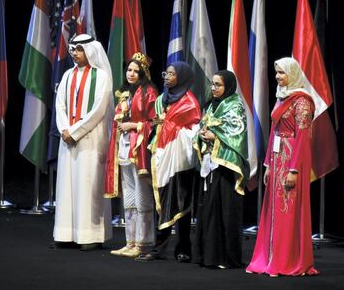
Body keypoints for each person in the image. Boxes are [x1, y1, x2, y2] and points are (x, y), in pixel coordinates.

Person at [246, 57, 319, 276]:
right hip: (277, 161)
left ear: (293, 74)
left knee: (288, 210)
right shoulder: (282, 97)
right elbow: (274, 133)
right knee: (274, 210)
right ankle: (269, 259)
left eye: (282, 73)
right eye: (276, 73)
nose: (278, 77)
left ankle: (287, 261)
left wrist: (294, 170)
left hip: (291, 162)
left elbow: (302, 138)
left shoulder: (302, 101)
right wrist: (268, 164)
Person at [53, 33, 113, 250]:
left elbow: (99, 110)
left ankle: (90, 235)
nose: (75, 54)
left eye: (79, 50)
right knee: (67, 185)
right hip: (67, 138)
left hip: (91, 139)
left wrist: (75, 131)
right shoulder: (68, 75)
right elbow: (60, 105)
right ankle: (65, 233)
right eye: (74, 50)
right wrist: (64, 129)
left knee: (89, 184)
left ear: (90, 51)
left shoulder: (102, 77)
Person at [136, 61, 200, 262]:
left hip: (181, 161)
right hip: (163, 157)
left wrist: (169, 125)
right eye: (166, 73)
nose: (166, 76)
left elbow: (193, 132)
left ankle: (183, 250)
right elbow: (156, 126)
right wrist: (159, 127)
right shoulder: (162, 99)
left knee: (181, 204)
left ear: (181, 77)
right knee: (161, 202)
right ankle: (158, 249)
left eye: (171, 74)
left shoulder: (190, 103)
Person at [104, 52, 159, 258]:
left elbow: (154, 122)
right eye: (129, 70)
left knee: (142, 196)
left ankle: (144, 242)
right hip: (124, 148)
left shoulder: (149, 92)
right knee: (128, 196)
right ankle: (130, 241)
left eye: (136, 71)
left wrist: (134, 125)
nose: (131, 74)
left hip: (140, 150)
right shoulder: (124, 93)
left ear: (143, 73)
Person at [193, 70, 249, 269]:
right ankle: (209, 256)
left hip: (226, 166)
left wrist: (214, 136)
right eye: (213, 84)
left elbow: (237, 133)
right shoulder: (209, 106)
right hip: (210, 164)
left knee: (225, 210)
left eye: (219, 85)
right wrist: (201, 134)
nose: (214, 88)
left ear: (228, 86)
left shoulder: (235, 106)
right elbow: (202, 127)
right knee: (209, 209)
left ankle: (226, 257)